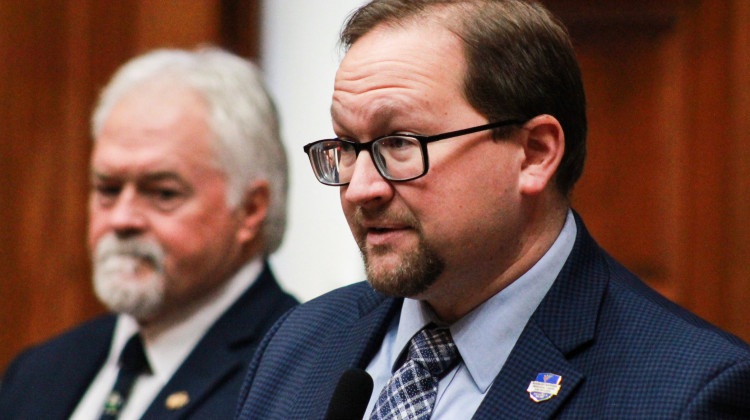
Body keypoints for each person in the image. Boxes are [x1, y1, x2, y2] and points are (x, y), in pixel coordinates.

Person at [235, 1, 750, 419]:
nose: (360, 189)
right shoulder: (298, 344)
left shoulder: (687, 391)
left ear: (534, 153)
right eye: (347, 145)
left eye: (400, 142)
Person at [0, 47, 298, 419]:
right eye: (108, 189)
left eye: (163, 193)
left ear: (251, 209)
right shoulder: (37, 372)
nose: (122, 219)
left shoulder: (301, 373)